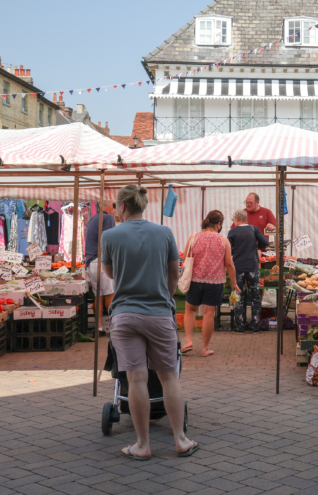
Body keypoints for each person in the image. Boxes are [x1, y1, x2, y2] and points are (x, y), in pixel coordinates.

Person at [100, 185, 197, 460]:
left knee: (136, 378)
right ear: (143, 206)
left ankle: (142, 445)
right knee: (169, 377)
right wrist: (162, 297)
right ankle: (180, 439)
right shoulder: (164, 233)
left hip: (125, 315)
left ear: (121, 207)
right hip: (159, 313)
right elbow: (173, 275)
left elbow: (110, 273)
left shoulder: (110, 236)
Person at [183, 210, 240, 356]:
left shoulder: (194, 237)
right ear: (219, 224)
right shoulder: (223, 240)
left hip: (195, 279)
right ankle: (204, 348)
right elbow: (229, 264)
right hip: (215, 282)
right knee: (209, 314)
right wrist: (234, 283)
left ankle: (188, 340)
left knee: (190, 309)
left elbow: (186, 258)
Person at [227, 208, 268, 333]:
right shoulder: (253, 229)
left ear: (237, 219)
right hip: (252, 267)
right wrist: (256, 245)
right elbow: (265, 242)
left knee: (239, 295)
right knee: (255, 297)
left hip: (238, 267)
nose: (233, 222)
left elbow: (229, 250)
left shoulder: (232, 232)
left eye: (234, 219)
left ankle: (240, 326)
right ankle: (255, 325)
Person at [85, 201, 116, 333]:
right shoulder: (108, 218)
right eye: (113, 206)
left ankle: (98, 327)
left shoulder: (93, 218)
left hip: (91, 261)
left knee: (99, 295)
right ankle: (114, 327)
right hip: (101, 260)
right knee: (110, 295)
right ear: (108, 207)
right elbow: (109, 239)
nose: (115, 209)